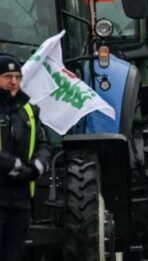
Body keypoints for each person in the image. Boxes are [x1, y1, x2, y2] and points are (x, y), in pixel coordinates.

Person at [0, 53, 51, 260]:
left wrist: (37, 166)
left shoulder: (29, 110)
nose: (13, 82)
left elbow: (44, 143)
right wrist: (12, 165)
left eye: (17, 77)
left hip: (21, 200)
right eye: (7, 76)